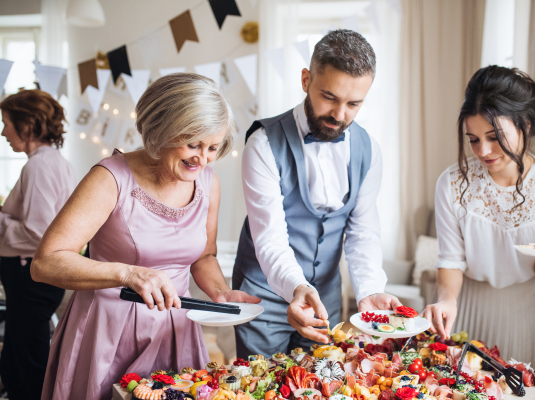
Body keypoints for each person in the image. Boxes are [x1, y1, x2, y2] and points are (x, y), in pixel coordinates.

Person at [32, 74, 260, 400]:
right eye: (193, 144)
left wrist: (221, 292)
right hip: (106, 332)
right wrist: (127, 273)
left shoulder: (208, 183)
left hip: (175, 330)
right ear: (161, 128)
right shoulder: (110, 177)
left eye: (212, 147)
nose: (203, 158)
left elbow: (203, 256)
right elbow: (45, 263)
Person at [233, 29, 400, 359]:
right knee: (261, 387)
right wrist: (297, 287)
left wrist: (369, 290)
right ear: (306, 79)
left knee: (322, 384)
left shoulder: (369, 150)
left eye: (354, 104)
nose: (340, 115)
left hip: (326, 299)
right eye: (330, 98)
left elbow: (362, 232)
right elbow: (270, 239)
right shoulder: (263, 145)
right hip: (263, 297)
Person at [423, 66, 535, 369]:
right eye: (473, 139)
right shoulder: (452, 182)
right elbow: (451, 260)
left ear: (526, 124)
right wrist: (446, 300)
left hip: (525, 315)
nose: (483, 150)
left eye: (495, 137)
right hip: (464, 307)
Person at [0, 89, 77, 400]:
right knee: (17, 355)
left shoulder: (39, 166)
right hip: (28, 275)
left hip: (29, 275)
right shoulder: (53, 162)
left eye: (6, 123)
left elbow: (40, 231)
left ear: (28, 124)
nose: (4, 131)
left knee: (27, 360)